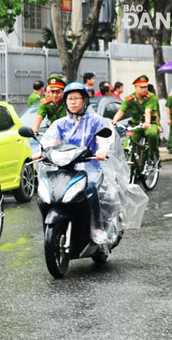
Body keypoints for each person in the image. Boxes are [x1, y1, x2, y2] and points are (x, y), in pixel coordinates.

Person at [35, 82, 111, 243]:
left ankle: (97, 226)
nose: (73, 102)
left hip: (91, 167)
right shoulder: (60, 123)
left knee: (89, 187)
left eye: (77, 98)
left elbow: (103, 140)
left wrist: (101, 150)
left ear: (85, 101)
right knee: (51, 190)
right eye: (69, 99)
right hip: (67, 167)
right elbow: (50, 142)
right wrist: (41, 152)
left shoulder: (96, 121)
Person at [110, 75, 160, 161]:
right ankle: (131, 164)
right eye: (142, 87)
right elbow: (121, 111)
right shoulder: (129, 99)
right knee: (129, 139)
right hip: (135, 125)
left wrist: (147, 122)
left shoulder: (151, 97)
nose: (144, 89)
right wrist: (114, 121)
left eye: (146, 87)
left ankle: (152, 155)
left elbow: (148, 111)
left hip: (150, 124)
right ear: (135, 87)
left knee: (151, 134)